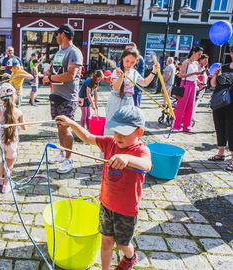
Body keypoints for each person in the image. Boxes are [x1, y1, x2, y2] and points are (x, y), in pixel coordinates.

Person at [55, 105, 151, 270]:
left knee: (122, 245)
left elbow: (147, 165)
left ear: (139, 132)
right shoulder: (110, 143)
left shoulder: (140, 150)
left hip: (126, 211)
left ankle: (130, 257)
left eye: (124, 132)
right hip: (106, 204)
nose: (118, 136)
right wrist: (71, 123)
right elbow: (88, 137)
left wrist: (127, 159)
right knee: (106, 241)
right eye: (115, 131)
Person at [42, 24, 83, 174]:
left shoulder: (74, 52)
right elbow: (54, 66)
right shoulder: (60, 51)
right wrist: (48, 71)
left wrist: (50, 78)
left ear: (63, 35)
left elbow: (70, 75)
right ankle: (62, 153)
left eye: (57, 34)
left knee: (65, 129)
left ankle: (69, 159)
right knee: (59, 127)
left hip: (68, 97)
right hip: (56, 95)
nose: (56, 37)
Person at [104, 48, 158, 136]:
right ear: (122, 59)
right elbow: (116, 88)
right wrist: (120, 77)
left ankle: (122, 148)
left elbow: (144, 83)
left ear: (136, 62)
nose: (129, 64)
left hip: (128, 101)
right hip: (115, 100)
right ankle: (108, 147)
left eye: (132, 62)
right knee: (112, 125)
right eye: (127, 61)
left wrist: (154, 71)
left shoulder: (134, 72)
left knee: (126, 126)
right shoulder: (116, 71)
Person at [0, 83, 26, 193]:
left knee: (4, 159)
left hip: (1, 141)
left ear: (1, 98)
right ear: (14, 96)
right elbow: (24, 127)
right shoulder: (18, 112)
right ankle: (6, 185)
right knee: (10, 165)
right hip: (12, 142)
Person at [208, 44, 233, 171]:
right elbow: (213, 84)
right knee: (219, 127)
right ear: (231, 53)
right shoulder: (223, 67)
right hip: (219, 103)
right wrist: (215, 76)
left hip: (232, 104)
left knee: (232, 130)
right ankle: (221, 153)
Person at [172, 46, 205, 133]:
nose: (199, 56)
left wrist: (198, 80)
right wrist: (194, 73)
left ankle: (187, 126)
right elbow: (181, 75)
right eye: (199, 54)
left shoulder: (196, 63)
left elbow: (194, 76)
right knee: (181, 105)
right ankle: (176, 125)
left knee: (190, 106)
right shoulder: (186, 62)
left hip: (193, 84)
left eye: (200, 54)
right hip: (186, 84)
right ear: (194, 52)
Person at [125, 42, 145, 107]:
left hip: (136, 87)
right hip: (129, 87)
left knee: (135, 107)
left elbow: (130, 69)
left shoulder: (138, 59)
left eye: (128, 50)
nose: (126, 52)